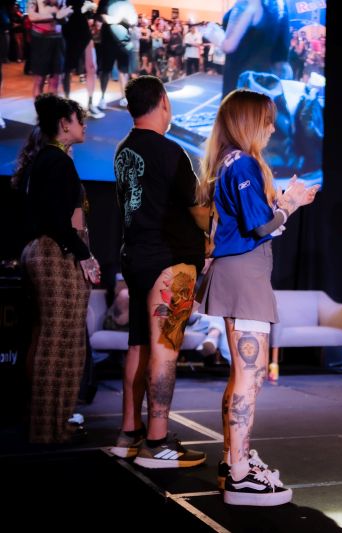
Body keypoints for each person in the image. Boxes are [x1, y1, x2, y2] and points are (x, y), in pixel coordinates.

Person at [196, 89, 318, 505]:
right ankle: (240, 473)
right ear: (249, 121)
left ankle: (234, 460)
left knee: (243, 374)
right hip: (244, 274)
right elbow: (261, 226)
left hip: (239, 272)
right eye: (266, 120)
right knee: (251, 374)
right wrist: (291, 205)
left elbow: (254, 220)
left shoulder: (228, 161)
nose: (272, 128)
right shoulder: (243, 162)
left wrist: (280, 203)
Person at [109, 76, 207, 468]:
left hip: (135, 257)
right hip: (169, 260)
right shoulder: (171, 151)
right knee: (165, 347)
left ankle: (129, 434)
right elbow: (199, 212)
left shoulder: (123, 149)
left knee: (139, 345)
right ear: (164, 101)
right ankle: (157, 441)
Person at [15, 94, 100, 443]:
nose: (84, 126)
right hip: (54, 254)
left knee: (53, 339)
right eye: (79, 120)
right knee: (58, 342)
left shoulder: (46, 159)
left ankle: (51, 423)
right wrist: (85, 255)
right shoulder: (56, 161)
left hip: (43, 251)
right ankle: (47, 428)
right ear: (64, 124)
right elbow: (57, 220)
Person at [201, 0, 290, 97]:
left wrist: (214, 34)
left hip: (240, 77)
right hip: (264, 80)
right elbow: (281, 58)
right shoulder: (280, 6)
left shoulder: (246, 3)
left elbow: (229, 46)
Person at [62, 0, 104, 118]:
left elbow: (93, 12)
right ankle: (66, 104)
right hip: (69, 27)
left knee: (92, 67)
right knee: (67, 68)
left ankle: (90, 104)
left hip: (83, 28)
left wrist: (92, 15)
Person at [26, 0, 72, 97]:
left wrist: (65, 16)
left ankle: (52, 106)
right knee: (40, 79)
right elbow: (31, 16)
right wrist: (55, 15)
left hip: (58, 38)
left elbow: (64, 17)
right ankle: (40, 106)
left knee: (56, 79)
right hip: (41, 38)